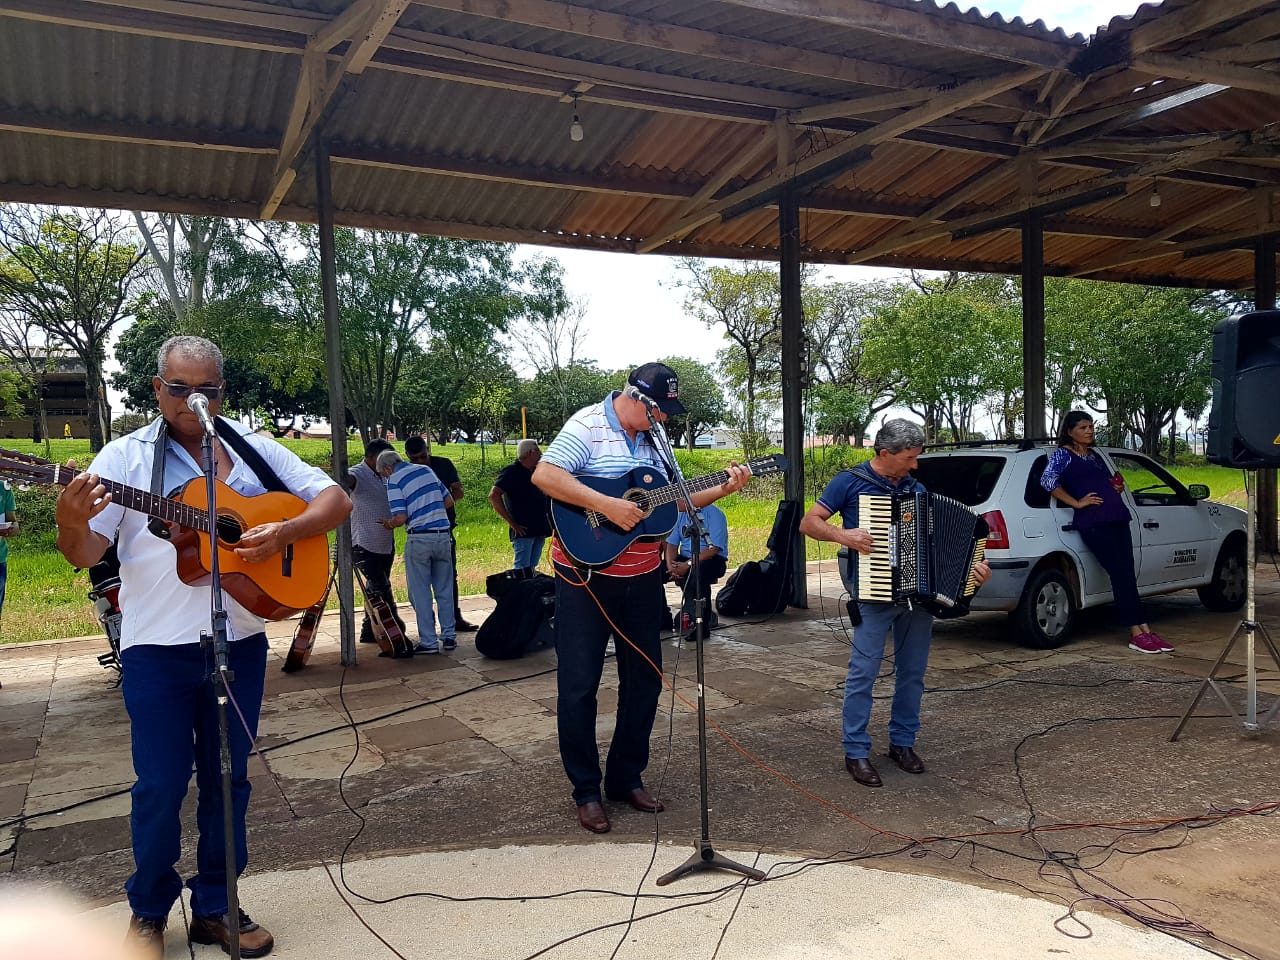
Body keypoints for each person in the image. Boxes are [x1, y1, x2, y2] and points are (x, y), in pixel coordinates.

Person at [53, 336, 352, 959]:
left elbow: (336, 500)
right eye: (179, 388)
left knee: (229, 779)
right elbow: (87, 554)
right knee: (160, 784)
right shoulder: (125, 458)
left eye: (207, 390)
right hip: (156, 650)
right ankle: (148, 910)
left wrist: (286, 532)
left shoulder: (249, 448)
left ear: (222, 391)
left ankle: (217, 904)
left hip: (235, 643)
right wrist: (70, 520)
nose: (193, 401)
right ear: (157, 389)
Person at [533, 362, 750, 834]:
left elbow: (675, 501)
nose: (665, 420)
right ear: (635, 398)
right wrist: (606, 504)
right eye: (660, 411)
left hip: (641, 577)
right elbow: (546, 477)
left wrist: (725, 488)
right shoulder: (588, 424)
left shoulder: (656, 441)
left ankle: (625, 777)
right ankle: (586, 791)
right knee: (579, 686)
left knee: (647, 680)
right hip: (584, 578)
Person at [799, 419, 990, 789]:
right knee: (863, 674)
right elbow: (809, 523)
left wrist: (974, 570)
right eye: (909, 457)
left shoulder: (917, 489)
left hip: (917, 597)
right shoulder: (849, 482)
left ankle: (902, 744)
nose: (915, 465)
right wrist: (845, 535)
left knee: (913, 672)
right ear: (885, 453)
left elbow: (942, 547)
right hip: (873, 593)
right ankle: (855, 750)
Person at [1041, 410, 1168, 654]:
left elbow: (1104, 483)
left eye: (1091, 427)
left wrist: (1115, 488)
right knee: (1120, 575)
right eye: (1083, 428)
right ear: (1069, 431)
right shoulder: (1062, 456)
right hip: (1094, 522)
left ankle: (1146, 629)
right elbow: (1048, 482)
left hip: (1118, 517)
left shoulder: (1094, 455)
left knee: (1128, 575)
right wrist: (1077, 502)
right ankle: (1135, 633)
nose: (1089, 431)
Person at [377, 448, 455, 654]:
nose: (385, 478)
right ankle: (449, 636)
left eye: (383, 474)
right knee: (444, 590)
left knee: (420, 593)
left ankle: (429, 642)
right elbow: (449, 501)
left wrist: (389, 524)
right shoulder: (426, 470)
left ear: (387, 468)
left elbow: (400, 517)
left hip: (419, 538)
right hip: (443, 535)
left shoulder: (394, 480)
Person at [404, 435, 477, 632]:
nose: (420, 462)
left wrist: (441, 504)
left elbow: (458, 492)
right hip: (420, 530)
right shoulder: (407, 472)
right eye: (414, 459)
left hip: (444, 528)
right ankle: (429, 625)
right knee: (420, 583)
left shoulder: (443, 465)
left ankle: (454, 618)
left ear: (428, 451)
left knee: (448, 576)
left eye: (422, 457)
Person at [345, 438, 409, 650]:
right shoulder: (357, 473)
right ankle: (396, 632)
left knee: (375, 588)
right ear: (371, 457)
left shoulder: (384, 474)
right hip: (362, 542)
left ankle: (369, 630)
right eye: (382, 460)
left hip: (384, 542)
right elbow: (346, 481)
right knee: (382, 588)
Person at [664, 500, 728, 639]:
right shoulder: (681, 514)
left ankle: (702, 626)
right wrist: (671, 566)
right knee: (654, 571)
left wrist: (687, 565)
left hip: (710, 559)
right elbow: (671, 544)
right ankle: (662, 618)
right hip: (686, 558)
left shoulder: (714, 514)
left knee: (698, 573)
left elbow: (714, 549)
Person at [489, 439, 551, 570]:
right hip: (523, 529)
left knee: (532, 567)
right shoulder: (511, 472)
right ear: (529, 453)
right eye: (538, 451)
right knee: (521, 567)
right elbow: (494, 495)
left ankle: (530, 589)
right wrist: (512, 523)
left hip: (540, 528)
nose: (541, 454)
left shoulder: (536, 470)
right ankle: (520, 589)